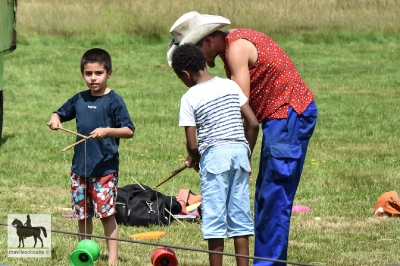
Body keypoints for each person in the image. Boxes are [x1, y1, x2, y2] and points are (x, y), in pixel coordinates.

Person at [167, 11, 318, 266]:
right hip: (276, 118)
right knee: (264, 194)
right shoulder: (233, 46)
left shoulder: (235, 50)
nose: (199, 60)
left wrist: (212, 152)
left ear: (207, 42)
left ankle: (267, 264)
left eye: (197, 53)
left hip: (287, 116)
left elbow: (237, 112)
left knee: (274, 194)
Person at [171, 43, 259, 266]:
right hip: (239, 154)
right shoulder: (229, 85)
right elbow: (253, 123)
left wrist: (197, 159)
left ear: (185, 74)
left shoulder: (189, 97)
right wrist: (246, 154)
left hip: (214, 160)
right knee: (240, 217)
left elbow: (192, 145)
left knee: (214, 219)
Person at [47, 48, 135, 265]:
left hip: (104, 170)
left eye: (98, 73)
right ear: (82, 74)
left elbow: (129, 130)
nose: (93, 78)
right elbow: (59, 112)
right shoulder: (80, 99)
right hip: (80, 170)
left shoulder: (114, 100)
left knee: (106, 214)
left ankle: (112, 259)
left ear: (109, 74)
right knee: (82, 215)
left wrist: (108, 130)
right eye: (88, 74)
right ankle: (84, 254)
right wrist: (55, 119)